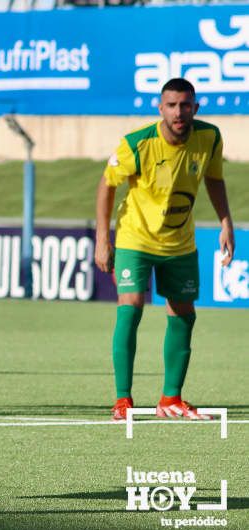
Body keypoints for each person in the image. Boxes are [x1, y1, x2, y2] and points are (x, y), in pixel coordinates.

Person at [95, 77, 233, 421]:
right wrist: (102, 239)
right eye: (171, 105)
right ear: (160, 109)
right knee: (132, 307)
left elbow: (215, 179)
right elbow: (106, 185)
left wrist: (226, 222)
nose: (179, 112)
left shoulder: (209, 137)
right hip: (135, 239)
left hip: (180, 243)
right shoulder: (137, 144)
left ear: (195, 108)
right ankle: (123, 400)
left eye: (185, 105)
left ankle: (170, 398)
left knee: (184, 314)